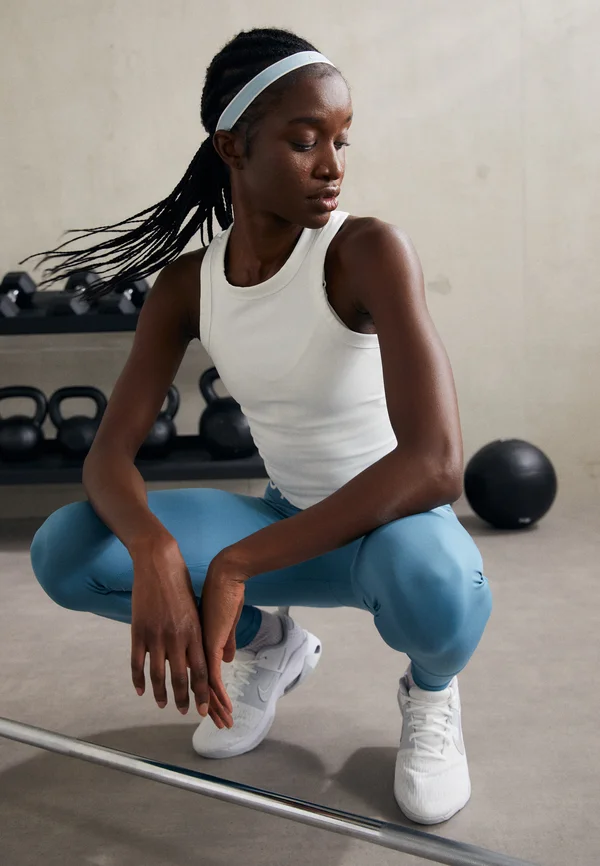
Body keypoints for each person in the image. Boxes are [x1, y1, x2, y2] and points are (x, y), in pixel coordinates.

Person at [28, 27, 493, 826]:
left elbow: (436, 465)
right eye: (305, 140)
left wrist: (236, 564)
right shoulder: (188, 287)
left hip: (390, 531)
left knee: (439, 589)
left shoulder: (366, 251)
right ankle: (267, 646)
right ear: (233, 146)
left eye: (342, 140)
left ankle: (431, 692)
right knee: (66, 549)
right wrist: (155, 550)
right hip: (285, 517)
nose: (332, 164)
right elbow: (108, 459)